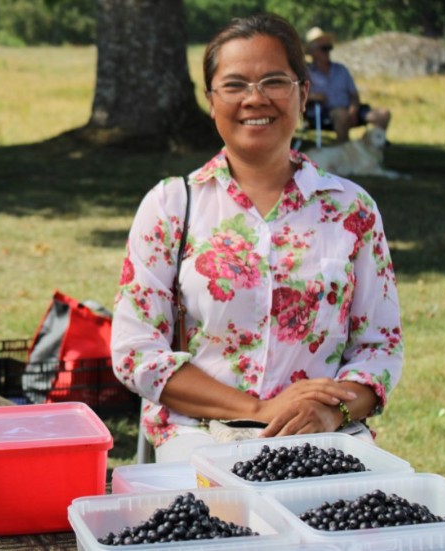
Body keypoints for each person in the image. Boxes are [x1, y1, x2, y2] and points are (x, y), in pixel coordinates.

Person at [111, 14, 403, 463]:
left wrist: (333, 411)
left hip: (325, 437)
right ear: (210, 100)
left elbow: (379, 347)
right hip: (203, 439)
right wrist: (260, 411)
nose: (255, 98)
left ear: (304, 93)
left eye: (274, 81)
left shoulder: (352, 209)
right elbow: (136, 352)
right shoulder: (171, 206)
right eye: (234, 85)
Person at [305, 26, 391, 143]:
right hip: (322, 114)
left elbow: (354, 94)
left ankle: (371, 147)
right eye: (324, 48)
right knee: (341, 114)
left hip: (349, 110)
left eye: (329, 48)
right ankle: (343, 152)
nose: (328, 52)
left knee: (383, 115)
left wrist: (353, 109)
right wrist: (313, 97)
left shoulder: (341, 69)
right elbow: (297, 98)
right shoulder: (306, 72)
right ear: (312, 51)